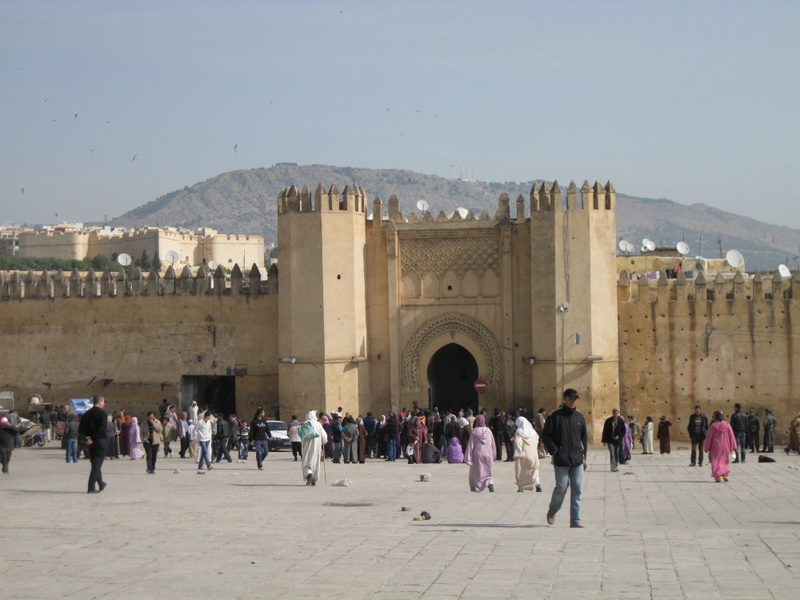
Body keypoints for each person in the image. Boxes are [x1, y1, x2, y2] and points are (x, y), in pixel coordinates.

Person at [542, 389, 587, 528]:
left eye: (575, 399)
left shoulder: (579, 417)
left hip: (577, 458)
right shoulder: (555, 416)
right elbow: (546, 435)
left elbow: (583, 438)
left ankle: (575, 520)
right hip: (561, 459)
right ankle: (553, 509)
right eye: (570, 399)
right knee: (561, 487)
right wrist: (554, 451)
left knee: (577, 488)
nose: (572, 401)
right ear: (564, 399)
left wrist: (584, 457)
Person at [79, 395, 108, 493]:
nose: (104, 403)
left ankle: (101, 483)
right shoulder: (102, 414)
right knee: (96, 465)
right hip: (100, 441)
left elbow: (81, 429)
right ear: (99, 402)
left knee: (95, 463)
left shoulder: (86, 414)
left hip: (90, 443)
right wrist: (93, 437)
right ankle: (91, 487)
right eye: (103, 401)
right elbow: (102, 429)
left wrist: (86, 438)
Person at [464, 415, 496, 492]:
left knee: (478, 471)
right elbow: (493, 444)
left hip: (477, 454)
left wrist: (468, 457)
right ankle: (490, 483)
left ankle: (478, 487)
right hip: (488, 453)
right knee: (488, 470)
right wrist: (494, 455)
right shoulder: (488, 431)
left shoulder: (474, 431)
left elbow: (471, 445)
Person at [704, 410, 738, 483]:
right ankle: (724, 474)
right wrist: (733, 446)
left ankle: (718, 477)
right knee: (724, 460)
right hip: (725, 446)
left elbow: (709, 437)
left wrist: (707, 447)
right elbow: (731, 436)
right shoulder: (727, 425)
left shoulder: (713, 426)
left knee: (716, 461)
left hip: (715, 446)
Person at [513, 415, 541, 492]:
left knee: (522, 471)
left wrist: (518, 453)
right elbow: (537, 441)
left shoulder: (519, 432)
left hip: (524, 456)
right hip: (534, 455)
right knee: (534, 471)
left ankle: (521, 487)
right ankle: (537, 485)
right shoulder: (534, 432)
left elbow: (518, 443)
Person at [301, 410, 328, 486]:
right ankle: (314, 479)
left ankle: (309, 475)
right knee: (315, 462)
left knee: (306, 462)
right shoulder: (318, 424)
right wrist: (323, 441)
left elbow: (302, 436)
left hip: (307, 446)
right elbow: (324, 436)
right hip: (317, 446)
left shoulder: (306, 424)